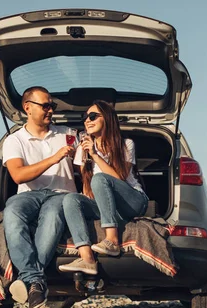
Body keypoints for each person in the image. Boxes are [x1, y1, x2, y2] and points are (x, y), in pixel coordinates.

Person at [2, 86, 77, 308]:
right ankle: (35, 279)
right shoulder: (15, 140)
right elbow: (18, 175)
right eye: (45, 105)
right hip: (28, 195)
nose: (50, 110)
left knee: (53, 215)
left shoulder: (68, 134)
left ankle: (32, 281)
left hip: (61, 194)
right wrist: (54, 158)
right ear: (27, 108)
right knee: (12, 212)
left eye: (52, 106)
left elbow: (86, 167)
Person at [59, 100, 148, 275]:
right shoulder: (82, 149)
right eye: (85, 118)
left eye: (92, 116)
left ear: (107, 118)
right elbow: (86, 184)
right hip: (106, 206)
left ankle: (112, 241)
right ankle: (87, 258)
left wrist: (95, 155)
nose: (87, 120)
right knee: (70, 198)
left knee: (100, 178)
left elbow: (119, 179)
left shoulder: (126, 144)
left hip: (132, 202)